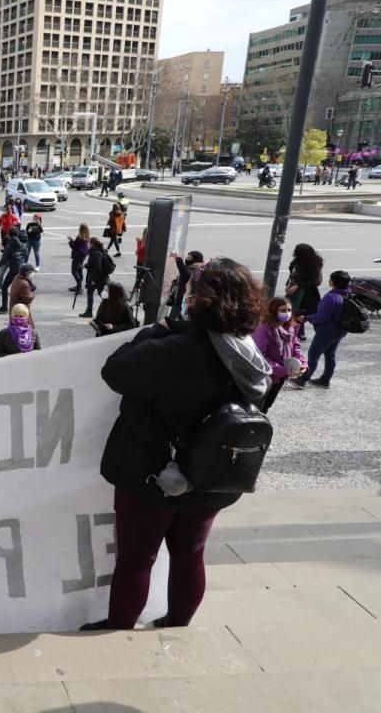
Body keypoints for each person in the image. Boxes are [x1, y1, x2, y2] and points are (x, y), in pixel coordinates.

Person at [83, 258, 271, 631]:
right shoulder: (248, 356)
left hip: (152, 472)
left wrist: (156, 331)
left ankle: (120, 629)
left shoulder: (173, 348)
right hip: (214, 474)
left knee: (137, 558)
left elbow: (115, 370)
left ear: (199, 301)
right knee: (190, 554)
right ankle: (177, 622)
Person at [290, 270, 351, 391]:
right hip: (340, 330)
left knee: (313, 355)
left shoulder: (331, 297)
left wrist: (306, 318)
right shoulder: (348, 293)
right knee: (330, 355)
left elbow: (321, 317)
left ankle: (302, 380)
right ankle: (325, 380)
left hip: (327, 331)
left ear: (332, 282)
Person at [251, 297, 306, 412]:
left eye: (289, 310)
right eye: (283, 310)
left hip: (280, 376)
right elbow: (260, 356)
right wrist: (282, 370)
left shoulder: (291, 327)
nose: (287, 313)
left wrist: (302, 364)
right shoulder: (264, 329)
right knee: (257, 406)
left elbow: (295, 346)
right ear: (273, 311)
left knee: (267, 405)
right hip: (266, 377)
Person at [285, 243, 323, 340]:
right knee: (296, 313)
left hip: (309, 293)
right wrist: (288, 285)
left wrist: (298, 285)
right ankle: (299, 333)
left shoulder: (314, 264)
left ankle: (321, 332)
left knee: (311, 313)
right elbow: (291, 275)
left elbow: (315, 281)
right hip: (296, 293)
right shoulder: (295, 262)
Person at [81, 237, 116, 319]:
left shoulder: (96, 253)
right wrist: (87, 265)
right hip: (101, 278)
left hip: (99, 279)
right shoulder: (97, 251)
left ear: (92, 244)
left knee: (103, 296)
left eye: (89, 243)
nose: (88, 245)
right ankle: (90, 311)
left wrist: (94, 280)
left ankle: (91, 312)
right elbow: (94, 265)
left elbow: (98, 267)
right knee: (97, 294)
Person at [68, 224, 91, 294]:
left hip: (77, 255)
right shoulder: (87, 236)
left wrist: (70, 240)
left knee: (74, 271)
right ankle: (78, 286)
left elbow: (74, 246)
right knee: (79, 270)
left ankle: (79, 287)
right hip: (83, 254)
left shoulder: (80, 237)